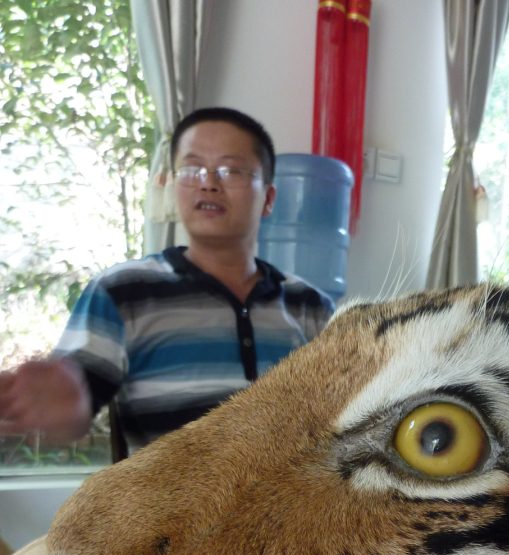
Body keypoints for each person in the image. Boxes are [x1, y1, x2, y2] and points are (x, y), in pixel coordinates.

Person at [0, 107, 335, 455]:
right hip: (172, 492)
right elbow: (73, 401)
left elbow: (345, 426)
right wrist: (62, 405)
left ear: (268, 198)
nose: (208, 183)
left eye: (230, 170)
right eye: (191, 169)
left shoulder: (311, 307)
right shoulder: (124, 292)